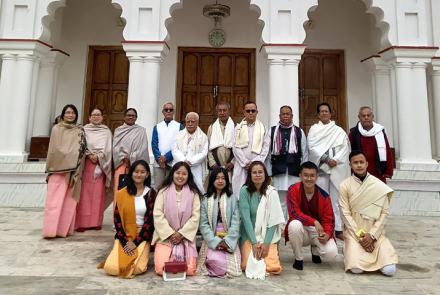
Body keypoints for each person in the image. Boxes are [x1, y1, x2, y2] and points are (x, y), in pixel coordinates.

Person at [339, 150, 398, 276]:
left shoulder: (379, 186)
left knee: (390, 270)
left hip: (375, 235)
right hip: (354, 234)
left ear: (367, 164)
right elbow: (345, 214)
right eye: (355, 163)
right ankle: (348, 249)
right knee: (356, 269)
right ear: (350, 165)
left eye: (361, 162)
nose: (359, 165)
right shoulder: (345, 185)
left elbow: (384, 213)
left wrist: (371, 236)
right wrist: (361, 236)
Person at [99, 160, 157, 278]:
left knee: (138, 268)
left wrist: (135, 243)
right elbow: (117, 219)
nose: (139, 174)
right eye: (136, 171)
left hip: (142, 235)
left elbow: (150, 222)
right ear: (131, 173)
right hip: (124, 234)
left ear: (147, 174)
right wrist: (125, 242)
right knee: (112, 268)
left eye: (142, 172)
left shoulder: (151, 193)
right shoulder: (121, 193)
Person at [42, 104, 86, 238]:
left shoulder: (79, 130)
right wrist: (70, 157)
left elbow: (82, 149)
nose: (70, 115)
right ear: (63, 114)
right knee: (53, 202)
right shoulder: (56, 129)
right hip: (58, 170)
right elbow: (55, 149)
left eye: (73, 113)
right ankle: (50, 231)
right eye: (67, 112)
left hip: (73, 172)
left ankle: (63, 231)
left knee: (69, 202)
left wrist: (74, 161)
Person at [307, 102, 350, 239]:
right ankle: (322, 227)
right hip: (321, 170)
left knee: (336, 200)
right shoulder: (314, 130)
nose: (324, 113)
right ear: (318, 114)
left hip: (337, 168)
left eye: (327, 111)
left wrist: (335, 160)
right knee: (321, 200)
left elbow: (345, 148)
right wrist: (326, 159)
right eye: (322, 111)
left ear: (330, 114)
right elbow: (312, 147)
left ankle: (338, 228)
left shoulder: (338, 131)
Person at [285, 161, 339, 271]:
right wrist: (314, 221)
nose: (309, 179)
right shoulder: (293, 189)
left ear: (317, 177)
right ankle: (298, 258)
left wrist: (327, 234)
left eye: (312, 175)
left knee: (331, 254)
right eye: (305, 175)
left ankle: (315, 249)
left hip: (317, 232)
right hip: (301, 229)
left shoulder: (324, 196)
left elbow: (329, 220)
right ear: (300, 176)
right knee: (294, 225)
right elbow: (294, 213)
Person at [152, 161, 201, 277]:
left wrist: (181, 234)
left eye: (184, 174)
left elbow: (195, 217)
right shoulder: (163, 191)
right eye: (178, 173)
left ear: (188, 176)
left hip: (185, 238)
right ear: (172, 173)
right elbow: (157, 214)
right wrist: (171, 234)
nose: (180, 176)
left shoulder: (194, 193)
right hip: (165, 238)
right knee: (161, 268)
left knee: (189, 270)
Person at [239, 161, 285, 276]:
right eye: (254, 172)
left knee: (273, 268)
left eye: (260, 172)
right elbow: (246, 220)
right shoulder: (244, 191)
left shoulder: (272, 192)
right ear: (250, 175)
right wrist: (254, 243)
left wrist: (266, 243)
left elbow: (274, 221)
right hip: (249, 235)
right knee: (246, 265)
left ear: (265, 175)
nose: (257, 175)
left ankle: (267, 255)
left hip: (267, 237)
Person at [197, 167, 242, 278]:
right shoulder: (205, 199)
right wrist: (214, 241)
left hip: (229, 237)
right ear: (212, 180)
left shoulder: (232, 198)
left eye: (223, 178)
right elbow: (203, 224)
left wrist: (227, 241)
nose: (220, 181)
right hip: (212, 236)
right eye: (217, 178)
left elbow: (236, 222)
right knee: (213, 260)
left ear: (227, 180)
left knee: (228, 266)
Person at [75, 108, 113, 232]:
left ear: (102, 117)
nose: (96, 117)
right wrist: (88, 154)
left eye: (98, 115)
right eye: (94, 115)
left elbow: (109, 149)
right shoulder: (84, 130)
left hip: (100, 165)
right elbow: (80, 145)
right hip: (87, 165)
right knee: (84, 194)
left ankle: (96, 222)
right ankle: (82, 222)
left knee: (98, 195)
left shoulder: (106, 131)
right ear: (89, 117)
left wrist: (99, 156)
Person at [270, 105, 308, 220]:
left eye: (288, 114)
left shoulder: (299, 131)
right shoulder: (272, 131)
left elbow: (304, 152)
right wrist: (268, 172)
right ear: (279, 116)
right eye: (283, 114)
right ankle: (281, 225)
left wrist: (303, 172)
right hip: (278, 171)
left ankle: (292, 225)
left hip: (294, 172)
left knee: (293, 200)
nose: (285, 116)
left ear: (292, 116)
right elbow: (267, 153)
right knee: (280, 201)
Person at [232, 102, 270, 197]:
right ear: (244, 112)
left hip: (257, 167)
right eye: (248, 111)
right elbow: (235, 146)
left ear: (257, 112)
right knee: (239, 192)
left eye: (253, 111)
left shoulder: (263, 128)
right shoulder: (238, 128)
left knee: (257, 192)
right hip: (241, 166)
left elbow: (265, 148)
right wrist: (245, 162)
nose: (250, 113)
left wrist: (254, 163)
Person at [113, 108, 149, 203]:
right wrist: (124, 158)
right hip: (122, 165)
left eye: (133, 116)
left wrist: (132, 158)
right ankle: (117, 216)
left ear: (136, 118)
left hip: (136, 168)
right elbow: (115, 148)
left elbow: (143, 148)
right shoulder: (118, 130)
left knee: (135, 193)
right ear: (124, 117)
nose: (131, 117)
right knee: (119, 192)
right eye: (129, 115)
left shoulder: (141, 131)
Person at [349, 106, 393, 183]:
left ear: (372, 117)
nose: (366, 118)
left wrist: (388, 170)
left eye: (368, 115)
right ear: (359, 117)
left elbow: (387, 151)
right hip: (359, 171)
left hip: (377, 170)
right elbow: (349, 152)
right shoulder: (353, 133)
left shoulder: (380, 131)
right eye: (363, 116)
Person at [172, 112, 208, 194]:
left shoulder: (203, 137)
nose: (190, 124)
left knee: (197, 189)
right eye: (188, 122)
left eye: (193, 121)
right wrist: (183, 160)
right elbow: (174, 150)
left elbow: (203, 153)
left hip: (195, 167)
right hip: (180, 165)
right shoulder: (178, 135)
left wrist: (190, 162)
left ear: (197, 122)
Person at [152, 102, 184, 190]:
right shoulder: (157, 127)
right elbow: (154, 144)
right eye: (166, 110)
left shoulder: (179, 126)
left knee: (172, 188)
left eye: (171, 110)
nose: (168, 111)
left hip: (173, 162)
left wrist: (166, 158)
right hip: (159, 163)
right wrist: (159, 159)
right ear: (163, 112)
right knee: (158, 188)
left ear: (174, 111)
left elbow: (179, 144)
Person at [206, 102, 235, 183]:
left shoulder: (236, 127)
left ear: (229, 111)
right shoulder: (212, 127)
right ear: (217, 112)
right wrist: (213, 163)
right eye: (220, 110)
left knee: (231, 189)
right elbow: (207, 147)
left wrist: (233, 163)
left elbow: (240, 148)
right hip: (216, 166)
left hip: (231, 167)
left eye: (224, 110)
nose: (222, 113)